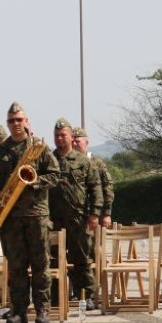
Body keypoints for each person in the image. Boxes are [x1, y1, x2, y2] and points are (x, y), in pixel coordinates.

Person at [0, 102, 60, 323]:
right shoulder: (0, 152)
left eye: (19, 120)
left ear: (26, 121)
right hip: (11, 218)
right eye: (11, 120)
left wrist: (35, 181)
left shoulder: (39, 147)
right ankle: (18, 311)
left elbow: (55, 176)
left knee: (40, 266)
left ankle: (42, 310)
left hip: (37, 216)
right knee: (16, 267)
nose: (16, 124)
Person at [49, 119, 102, 308]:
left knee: (82, 259)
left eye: (63, 135)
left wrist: (95, 214)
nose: (59, 138)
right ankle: (54, 300)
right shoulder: (48, 159)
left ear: (72, 137)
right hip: (53, 220)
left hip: (78, 219)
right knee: (52, 261)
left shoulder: (83, 162)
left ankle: (86, 296)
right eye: (56, 135)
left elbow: (95, 188)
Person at [73, 126, 114, 231]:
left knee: (96, 246)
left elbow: (107, 189)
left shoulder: (97, 163)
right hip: (75, 216)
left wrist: (106, 214)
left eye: (77, 141)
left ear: (86, 142)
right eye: (72, 141)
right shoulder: (68, 163)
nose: (74, 144)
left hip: (95, 215)